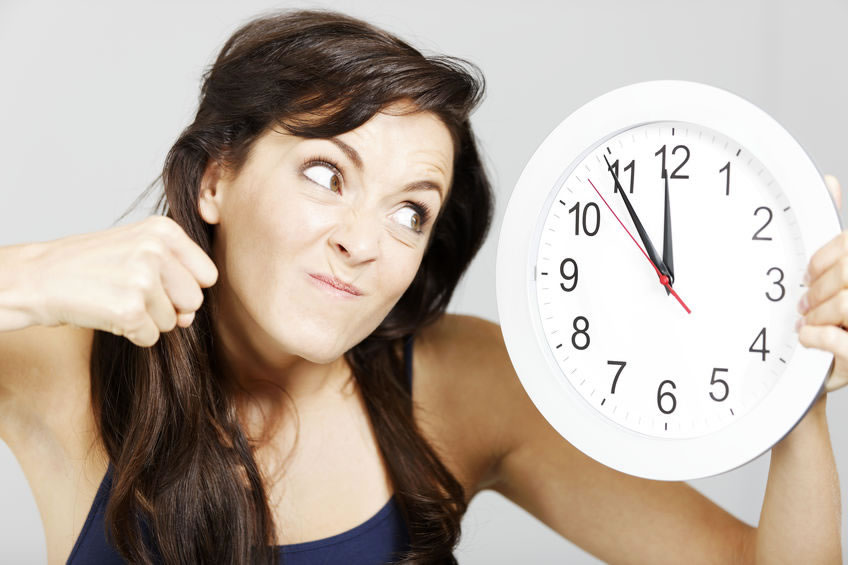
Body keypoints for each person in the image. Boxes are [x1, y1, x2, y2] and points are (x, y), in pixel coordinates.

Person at [0, 7, 843, 565]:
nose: (362, 240)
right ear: (215, 179)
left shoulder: (457, 380)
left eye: (411, 212)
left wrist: (797, 391)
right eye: (327, 173)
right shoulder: (67, 370)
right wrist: (28, 277)